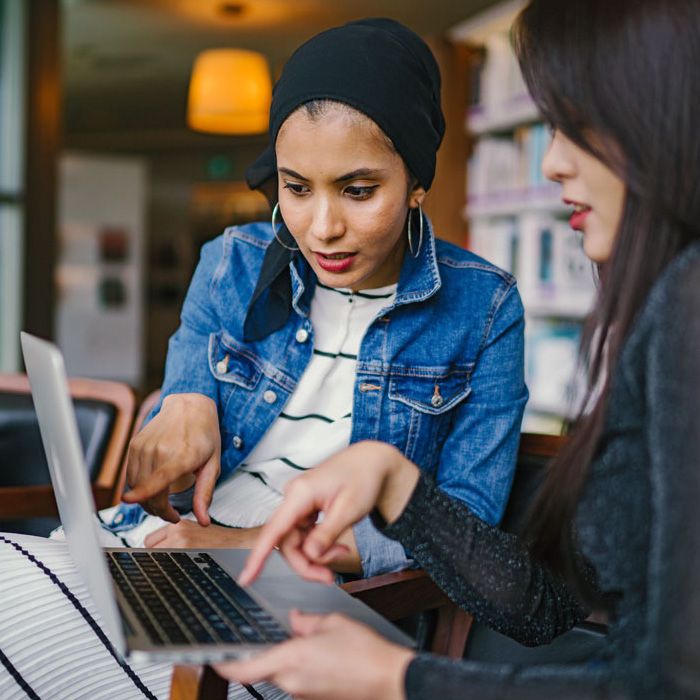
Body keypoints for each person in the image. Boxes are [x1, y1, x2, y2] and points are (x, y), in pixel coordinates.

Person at [0, 19, 528, 700]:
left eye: (358, 190)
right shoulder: (232, 261)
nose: (321, 226)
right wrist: (182, 397)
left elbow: (466, 526)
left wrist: (259, 547)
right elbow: (178, 409)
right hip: (158, 548)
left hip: (315, 600)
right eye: (296, 187)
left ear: (417, 184)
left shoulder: (485, 308)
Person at [213, 0, 700, 698]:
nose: (555, 162)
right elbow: (543, 611)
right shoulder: (663, 307)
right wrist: (395, 482)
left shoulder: (686, 302)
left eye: (577, 126)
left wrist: (395, 678)